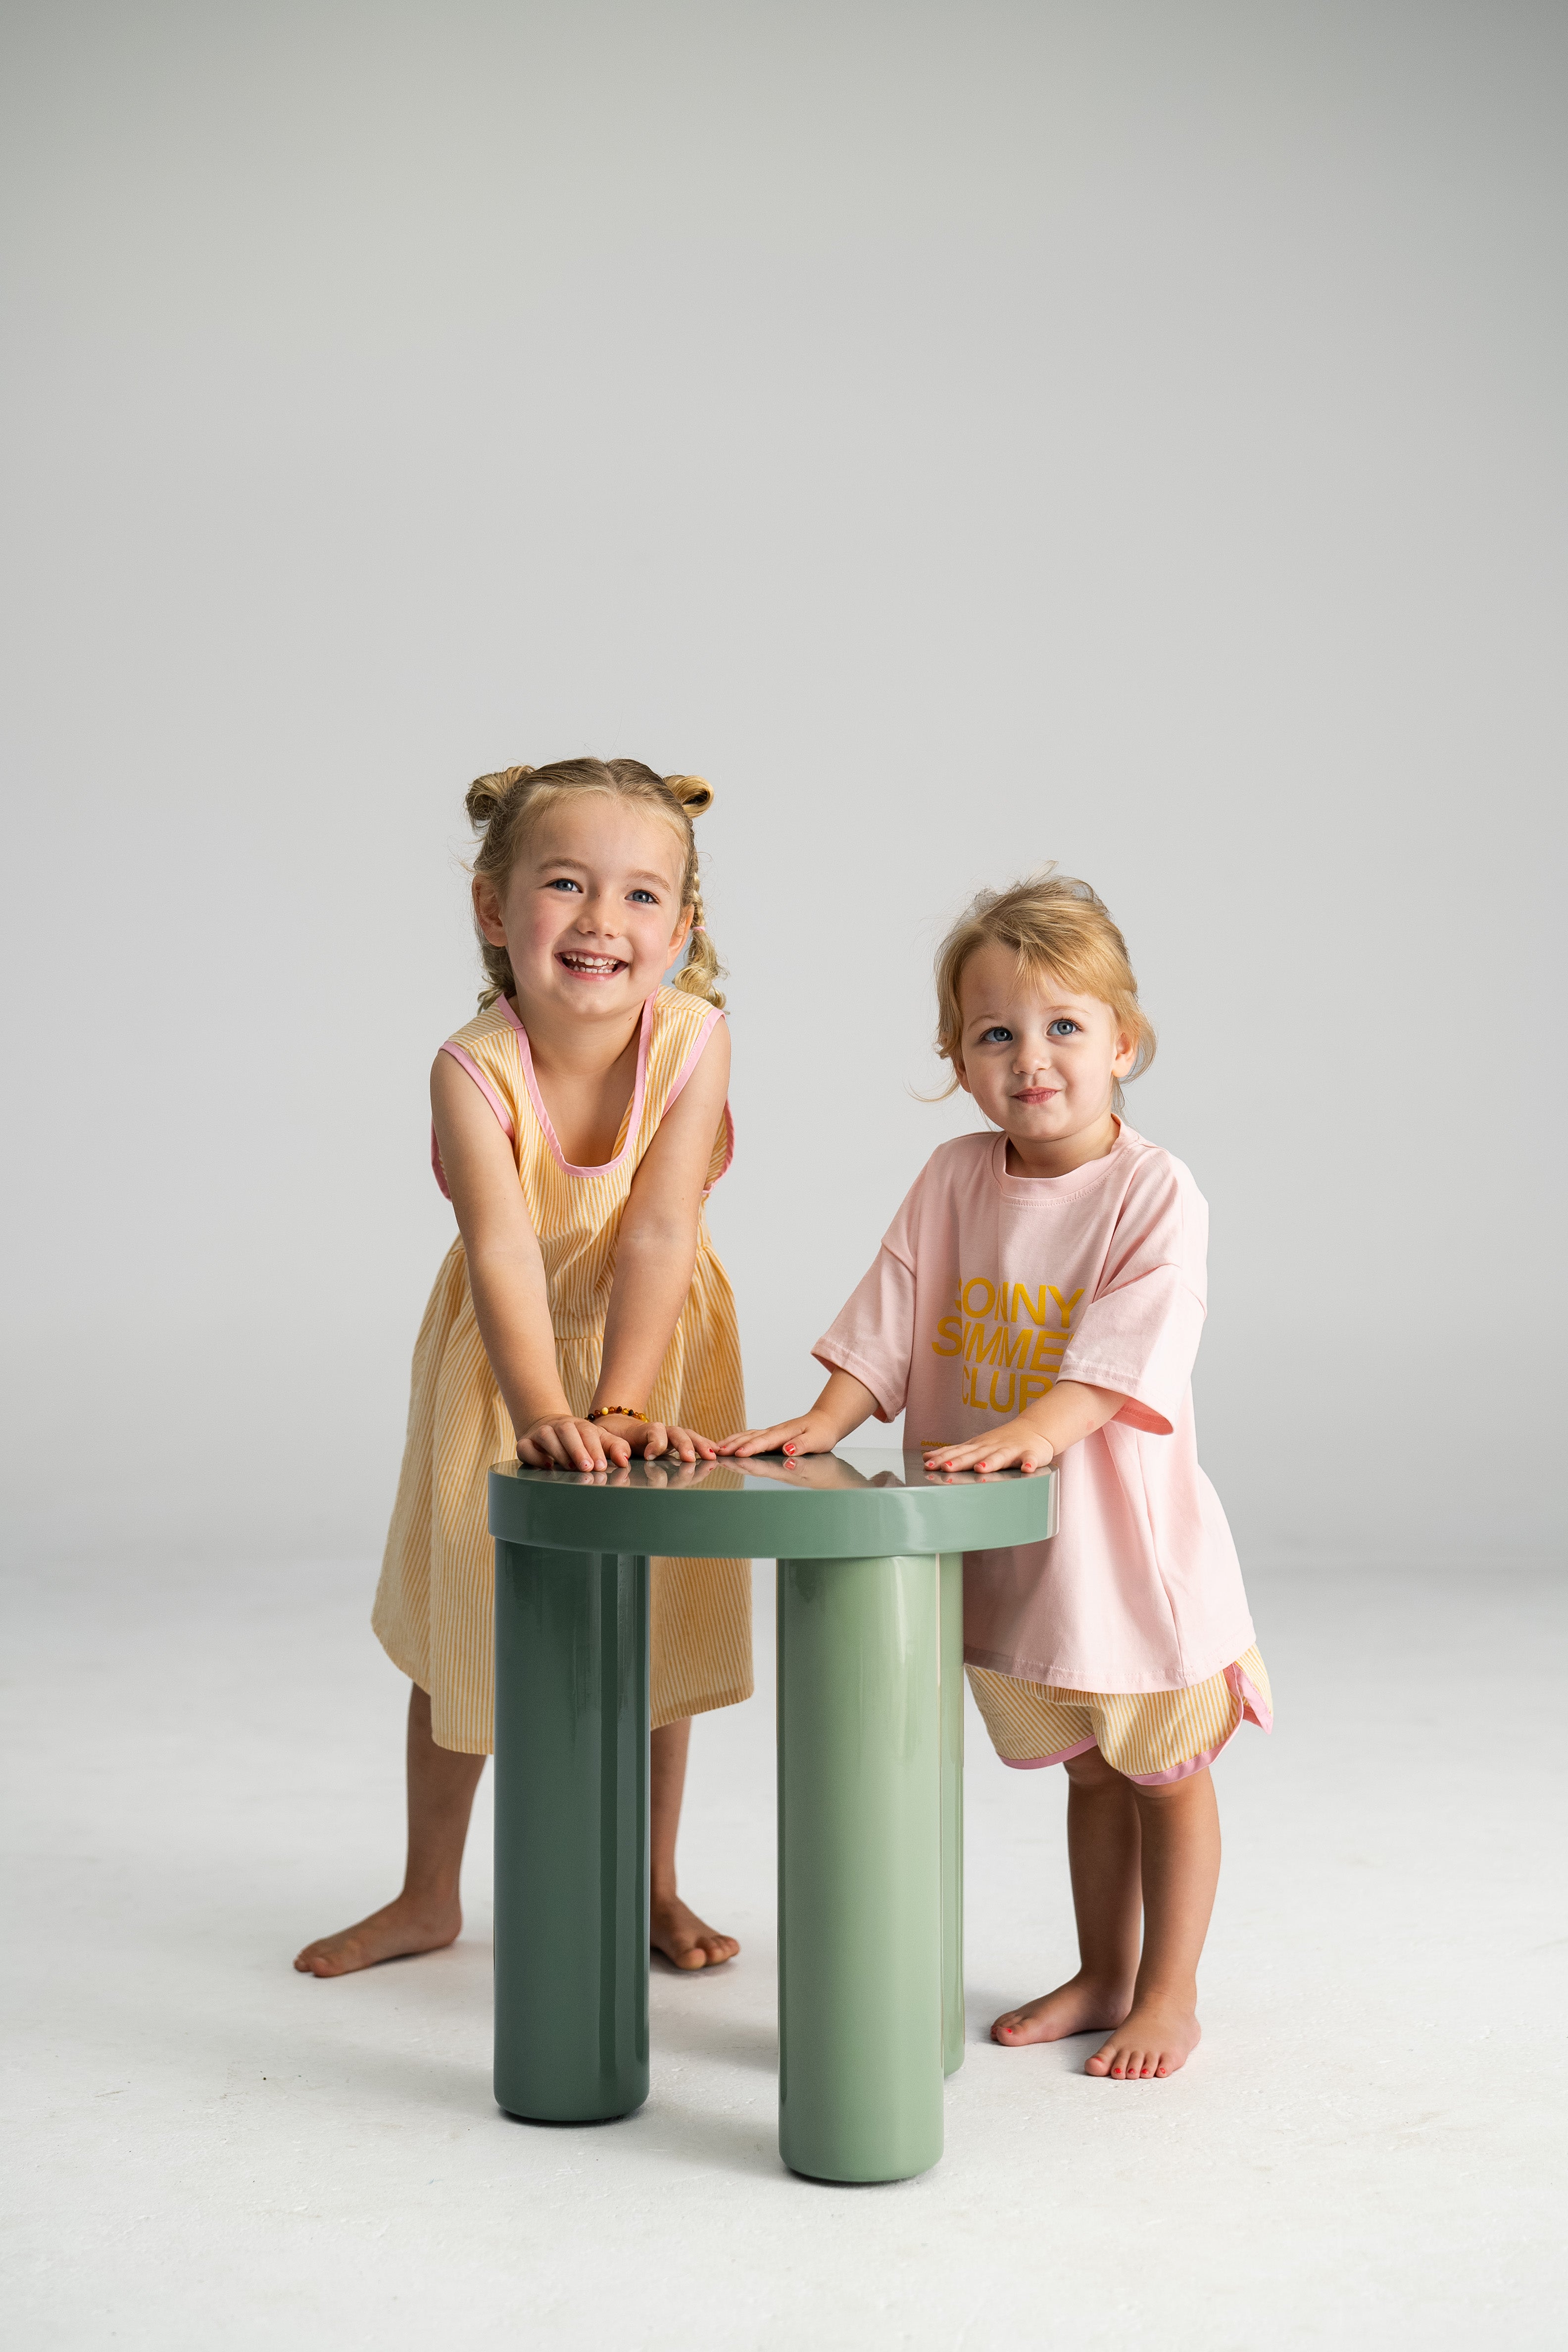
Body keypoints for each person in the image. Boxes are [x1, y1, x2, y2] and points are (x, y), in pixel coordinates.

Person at [720, 869, 1270, 2079]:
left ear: (1125, 1041)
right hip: (1026, 1558)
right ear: (958, 1058)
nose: (1034, 1058)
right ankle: (1102, 1970)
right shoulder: (955, 1179)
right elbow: (896, 1316)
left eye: (1067, 1026)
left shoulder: (1151, 1191)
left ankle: (1169, 1991)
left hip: (1131, 1558)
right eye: (996, 1033)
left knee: (1162, 1777)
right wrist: (828, 1413)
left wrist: (1045, 1424)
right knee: (1087, 1779)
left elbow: (1138, 1341)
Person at [297, 758, 750, 1979]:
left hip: (658, 1351)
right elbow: (499, 1245)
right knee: (475, 1625)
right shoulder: (471, 1067)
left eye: (644, 896)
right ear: (495, 912)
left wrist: (621, 1404)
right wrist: (548, 1407)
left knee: (650, 1629)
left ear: (683, 928)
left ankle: (653, 1885)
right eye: (567, 885)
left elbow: (660, 1230)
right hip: (508, 1360)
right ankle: (428, 1894)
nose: (606, 921)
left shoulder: (695, 1041)